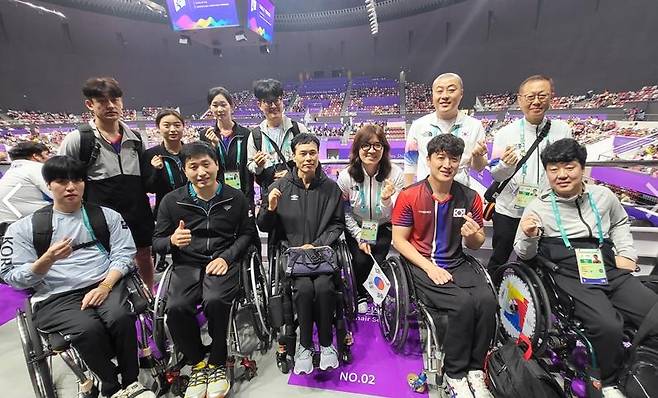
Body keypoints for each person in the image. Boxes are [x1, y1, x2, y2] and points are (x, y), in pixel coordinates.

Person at [0, 156, 155, 398]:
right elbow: (12, 276)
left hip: (106, 283)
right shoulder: (23, 228)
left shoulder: (107, 216)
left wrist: (104, 286)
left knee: (121, 317)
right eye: (62, 181)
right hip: (55, 295)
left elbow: (125, 255)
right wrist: (46, 260)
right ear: (48, 185)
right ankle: (111, 385)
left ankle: (131, 380)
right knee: (86, 329)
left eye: (77, 180)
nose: (71, 187)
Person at [514, 138, 658, 398]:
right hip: (566, 269)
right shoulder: (538, 207)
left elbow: (620, 223)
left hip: (605, 263)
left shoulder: (603, 196)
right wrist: (529, 235)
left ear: (582, 167)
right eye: (554, 169)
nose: (561, 175)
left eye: (569, 167)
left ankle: (643, 365)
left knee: (653, 312)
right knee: (607, 326)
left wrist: (626, 252)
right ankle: (610, 380)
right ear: (546, 172)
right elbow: (523, 253)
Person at [392, 134, 496, 398]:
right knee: (461, 304)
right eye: (440, 157)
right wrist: (429, 267)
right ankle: (455, 373)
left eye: (453, 158)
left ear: (459, 162)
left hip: (456, 261)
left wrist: (472, 235)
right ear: (428, 160)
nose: (447, 164)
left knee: (486, 300)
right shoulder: (409, 195)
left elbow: (476, 242)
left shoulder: (470, 197)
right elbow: (399, 241)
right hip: (421, 263)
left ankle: (475, 369)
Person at [152, 142, 255, 398]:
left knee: (216, 300)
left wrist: (229, 256)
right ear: (185, 170)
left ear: (217, 165)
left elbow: (246, 234)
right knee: (175, 307)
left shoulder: (235, 197)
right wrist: (172, 241)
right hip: (187, 262)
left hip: (222, 259)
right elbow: (157, 241)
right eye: (193, 166)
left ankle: (218, 360)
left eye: (206, 164)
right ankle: (198, 362)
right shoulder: (171, 201)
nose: (201, 172)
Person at [257, 133, 344, 375]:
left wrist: (316, 245)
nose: (308, 158)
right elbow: (263, 225)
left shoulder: (331, 189)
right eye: (303, 153)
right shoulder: (278, 187)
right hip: (292, 259)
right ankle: (305, 346)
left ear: (318, 155)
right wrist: (270, 209)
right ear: (293, 157)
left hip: (322, 256)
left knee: (325, 288)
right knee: (304, 289)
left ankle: (326, 345)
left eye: (312, 153)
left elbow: (337, 225)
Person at [59, 77, 155, 290]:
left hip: (136, 208)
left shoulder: (136, 138)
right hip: (100, 212)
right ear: (90, 104)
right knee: (106, 257)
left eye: (115, 99)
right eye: (102, 100)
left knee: (143, 254)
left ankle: (148, 294)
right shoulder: (78, 139)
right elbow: (62, 178)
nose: (110, 105)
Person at [487, 75, 572, 273]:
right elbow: (496, 175)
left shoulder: (563, 131)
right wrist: (506, 166)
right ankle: (494, 295)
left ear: (551, 97)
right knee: (500, 257)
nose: (536, 101)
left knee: (538, 260)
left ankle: (533, 300)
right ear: (520, 99)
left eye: (542, 95)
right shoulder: (505, 133)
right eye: (530, 96)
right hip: (509, 210)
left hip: (546, 210)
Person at [336, 124, 404, 314]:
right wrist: (358, 235)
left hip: (383, 225)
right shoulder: (346, 176)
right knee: (360, 259)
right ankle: (359, 294)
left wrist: (385, 200)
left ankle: (372, 290)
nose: (371, 151)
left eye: (377, 145)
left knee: (377, 259)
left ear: (384, 149)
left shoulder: (395, 174)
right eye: (366, 145)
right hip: (358, 225)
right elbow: (344, 210)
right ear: (358, 148)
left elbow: (394, 213)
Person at [404, 73, 488, 188]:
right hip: (426, 194)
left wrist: (477, 156)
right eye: (439, 91)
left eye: (451, 90)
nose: (444, 96)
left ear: (461, 93)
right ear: (432, 95)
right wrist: (408, 192)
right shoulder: (418, 125)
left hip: (460, 195)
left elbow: (479, 167)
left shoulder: (474, 126)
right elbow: (410, 163)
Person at [246, 79, 309, 193]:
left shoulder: (298, 130)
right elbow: (250, 166)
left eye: (277, 100)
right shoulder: (255, 136)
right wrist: (258, 165)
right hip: (270, 194)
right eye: (268, 102)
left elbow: (309, 161)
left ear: (282, 101)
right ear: (259, 105)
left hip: (297, 193)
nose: (274, 105)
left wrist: (292, 175)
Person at [199, 87, 256, 206]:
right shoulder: (205, 135)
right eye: (215, 105)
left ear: (231, 106)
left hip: (243, 193)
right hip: (217, 195)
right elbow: (206, 166)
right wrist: (214, 146)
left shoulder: (245, 134)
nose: (219, 109)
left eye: (223, 104)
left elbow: (248, 166)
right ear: (210, 108)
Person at [143, 109, 187, 216]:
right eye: (167, 126)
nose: (172, 130)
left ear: (183, 127)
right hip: (166, 210)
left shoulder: (191, 152)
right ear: (158, 128)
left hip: (191, 208)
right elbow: (149, 188)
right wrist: (155, 170)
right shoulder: (150, 154)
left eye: (177, 125)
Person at [0, 142, 51, 233]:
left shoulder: (11, 172)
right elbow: (59, 195)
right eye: (46, 154)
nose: (49, 158)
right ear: (36, 156)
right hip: (28, 228)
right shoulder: (36, 168)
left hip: (6, 227)